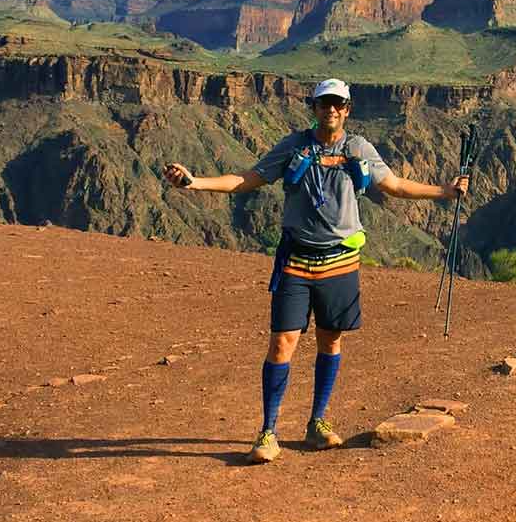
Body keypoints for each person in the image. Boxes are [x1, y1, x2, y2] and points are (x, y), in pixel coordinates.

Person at [163, 78, 468, 464]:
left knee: (331, 340)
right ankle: (268, 431)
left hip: (340, 262)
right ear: (314, 107)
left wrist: (445, 192)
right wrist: (195, 183)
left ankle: (317, 423)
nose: (331, 110)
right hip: (296, 260)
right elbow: (247, 179)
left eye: (338, 104)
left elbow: (394, 185)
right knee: (282, 342)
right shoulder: (293, 146)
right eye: (325, 103)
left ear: (348, 109)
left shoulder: (358, 148)